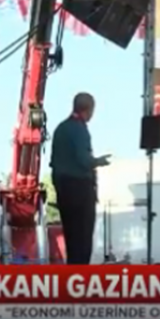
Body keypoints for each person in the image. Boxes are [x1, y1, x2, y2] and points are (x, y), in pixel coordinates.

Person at [50, 93, 110, 264]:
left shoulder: (61, 128)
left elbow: (55, 163)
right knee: (83, 242)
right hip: (80, 191)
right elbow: (83, 160)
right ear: (89, 109)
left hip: (64, 192)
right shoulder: (79, 129)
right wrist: (98, 162)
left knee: (72, 241)